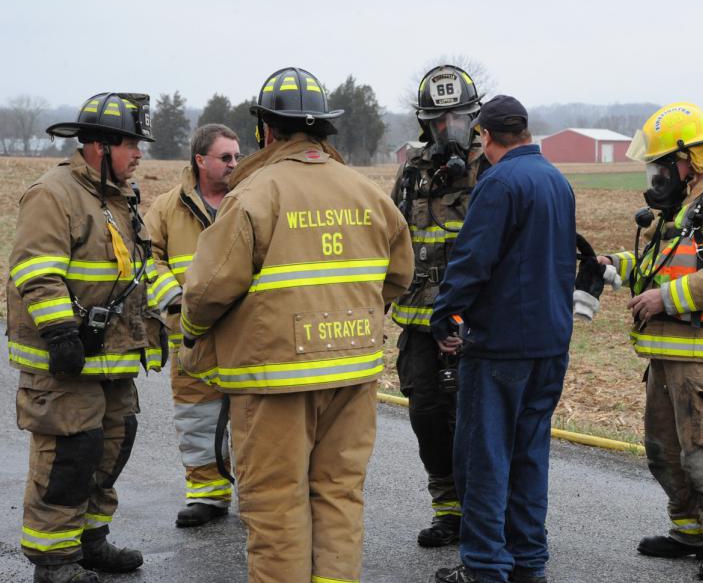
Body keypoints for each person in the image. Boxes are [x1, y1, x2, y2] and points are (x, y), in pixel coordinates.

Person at [178, 67, 414, 583]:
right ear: (323, 129)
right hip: (353, 371)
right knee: (339, 495)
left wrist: (194, 331)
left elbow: (207, 289)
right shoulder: (368, 192)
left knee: (275, 505)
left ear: (266, 129)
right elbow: (398, 277)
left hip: (274, 378)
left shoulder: (253, 194)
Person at [597, 103, 703, 582]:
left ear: (686, 160)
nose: (654, 175)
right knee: (666, 452)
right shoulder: (685, 207)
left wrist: (664, 300)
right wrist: (611, 265)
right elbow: (660, 265)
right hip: (671, 357)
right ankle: (690, 533)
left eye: (659, 165)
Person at [7, 92, 165, 583]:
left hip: (113, 357)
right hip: (68, 358)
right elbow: (36, 270)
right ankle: (53, 562)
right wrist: (59, 333)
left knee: (112, 445)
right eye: (131, 144)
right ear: (99, 145)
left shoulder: (120, 195)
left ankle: (89, 542)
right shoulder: (53, 194)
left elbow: (135, 269)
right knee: (69, 458)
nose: (139, 154)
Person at [430, 95, 576, 583]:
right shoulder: (557, 181)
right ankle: (528, 560)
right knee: (530, 456)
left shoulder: (499, 183)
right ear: (527, 133)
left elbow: (472, 262)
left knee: (485, 458)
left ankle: (486, 566)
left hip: (500, 348)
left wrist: (443, 314)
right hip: (551, 345)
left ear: (486, 137)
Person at [390, 64, 489, 547]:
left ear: (475, 118)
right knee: (426, 417)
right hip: (417, 322)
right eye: (438, 121)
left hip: (474, 323)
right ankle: (447, 509)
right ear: (424, 124)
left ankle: (484, 511)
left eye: (458, 119)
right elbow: (392, 235)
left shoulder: (491, 168)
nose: (448, 130)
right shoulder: (412, 171)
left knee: (473, 418)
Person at [144, 124, 241, 527]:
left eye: (237, 157)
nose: (235, 164)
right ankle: (208, 495)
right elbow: (145, 256)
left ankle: (259, 497)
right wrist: (176, 301)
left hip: (245, 333)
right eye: (226, 157)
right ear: (200, 161)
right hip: (192, 336)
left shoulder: (251, 200)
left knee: (258, 420)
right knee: (198, 417)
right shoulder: (167, 208)